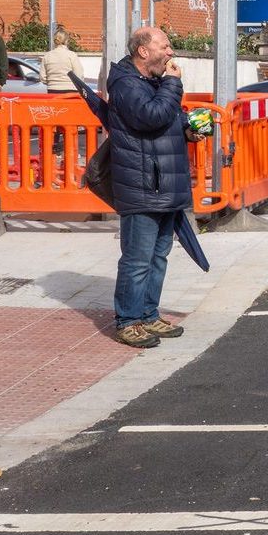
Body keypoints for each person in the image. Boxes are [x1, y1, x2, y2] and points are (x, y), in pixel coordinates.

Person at [108, 26, 204, 349]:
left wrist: (189, 129)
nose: (170, 52)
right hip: (142, 185)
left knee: (159, 255)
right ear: (143, 51)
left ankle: (148, 313)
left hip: (165, 185)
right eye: (164, 46)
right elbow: (151, 116)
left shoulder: (154, 83)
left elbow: (169, 118)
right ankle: (128, 320)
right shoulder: (124, 83)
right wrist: (174, 85)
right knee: (137, 258)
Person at [41, 29, 84, 94]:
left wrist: (52, 83)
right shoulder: (72, 55)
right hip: (71, 89)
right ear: (66, 41)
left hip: (52, 90)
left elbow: (42, 77)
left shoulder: (47, 56)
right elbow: (79, 74)